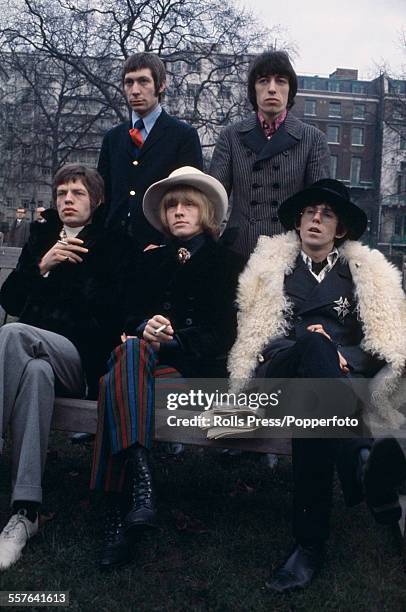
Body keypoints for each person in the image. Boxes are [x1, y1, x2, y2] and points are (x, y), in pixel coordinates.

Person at [227, 178, 406, 591]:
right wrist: (317, 346)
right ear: (299, 221)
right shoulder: (272, 269)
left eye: (327, 215)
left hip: (332, 386)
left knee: (316, 407)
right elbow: (257, 331)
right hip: (280, 372)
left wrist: (346, 357)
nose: (316, 220)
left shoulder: (363, 276)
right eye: (310, 212)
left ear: (339, 230)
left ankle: (308, 547)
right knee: (313, 342)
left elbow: (382, 341)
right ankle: (360, 461)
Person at [90, 166, 245, 569]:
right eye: (172, 204)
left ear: (206, 211)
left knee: (114, 383)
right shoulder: (147, 262)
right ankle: (139, 488)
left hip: (190, 374)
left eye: (188, 204)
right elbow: (123, 317)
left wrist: (174, 338)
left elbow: (226, 335)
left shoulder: (228, 264)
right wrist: (143, 326)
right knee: (130, 354)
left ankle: (114, 514)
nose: (178, 211)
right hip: (143, 368)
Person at [0, 164, 133, 570]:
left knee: (12, 335)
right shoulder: (40, 238)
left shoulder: (112, 244)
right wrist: (43, 265)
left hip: (80, 360)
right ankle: (26, 513)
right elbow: (10, 299)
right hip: (35, 362)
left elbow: (109, 318)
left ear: (96, 200)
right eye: (61, 194)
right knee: (35, 371)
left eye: (77, 193)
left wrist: (69, 275)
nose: (68, 200)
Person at [209, 50, 330, 257]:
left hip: (288, 253)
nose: (272, 89)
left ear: (290, 90)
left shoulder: (313, 139)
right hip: (237, 251)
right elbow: (212, 201)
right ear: (253, 90)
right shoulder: (230, 136)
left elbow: (319, 206)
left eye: (280, 81)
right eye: (263, 81)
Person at [98, 52, 203, 250]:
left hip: (159, 246)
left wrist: (169, 246)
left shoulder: (183, 136)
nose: (135, 90)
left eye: (143, 81)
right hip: (112, 246)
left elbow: (191, 198)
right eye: (129, 83)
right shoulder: (113, 138)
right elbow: (105, 196)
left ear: (161, 85)